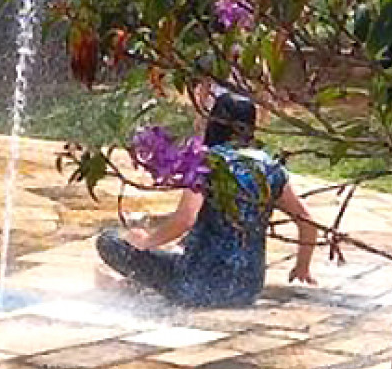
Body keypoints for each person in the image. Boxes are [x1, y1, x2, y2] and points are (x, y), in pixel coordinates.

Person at [96, 92, 320, 307]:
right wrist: (302, 266)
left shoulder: (208, 162)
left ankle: (125, 284)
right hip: (247, 289)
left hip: (196, 285)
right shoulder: (272, 169)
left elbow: (185, 219)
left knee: (109, 241)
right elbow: (307, 220)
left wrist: (148, 241)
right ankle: (130, 284)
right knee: (175, 251)